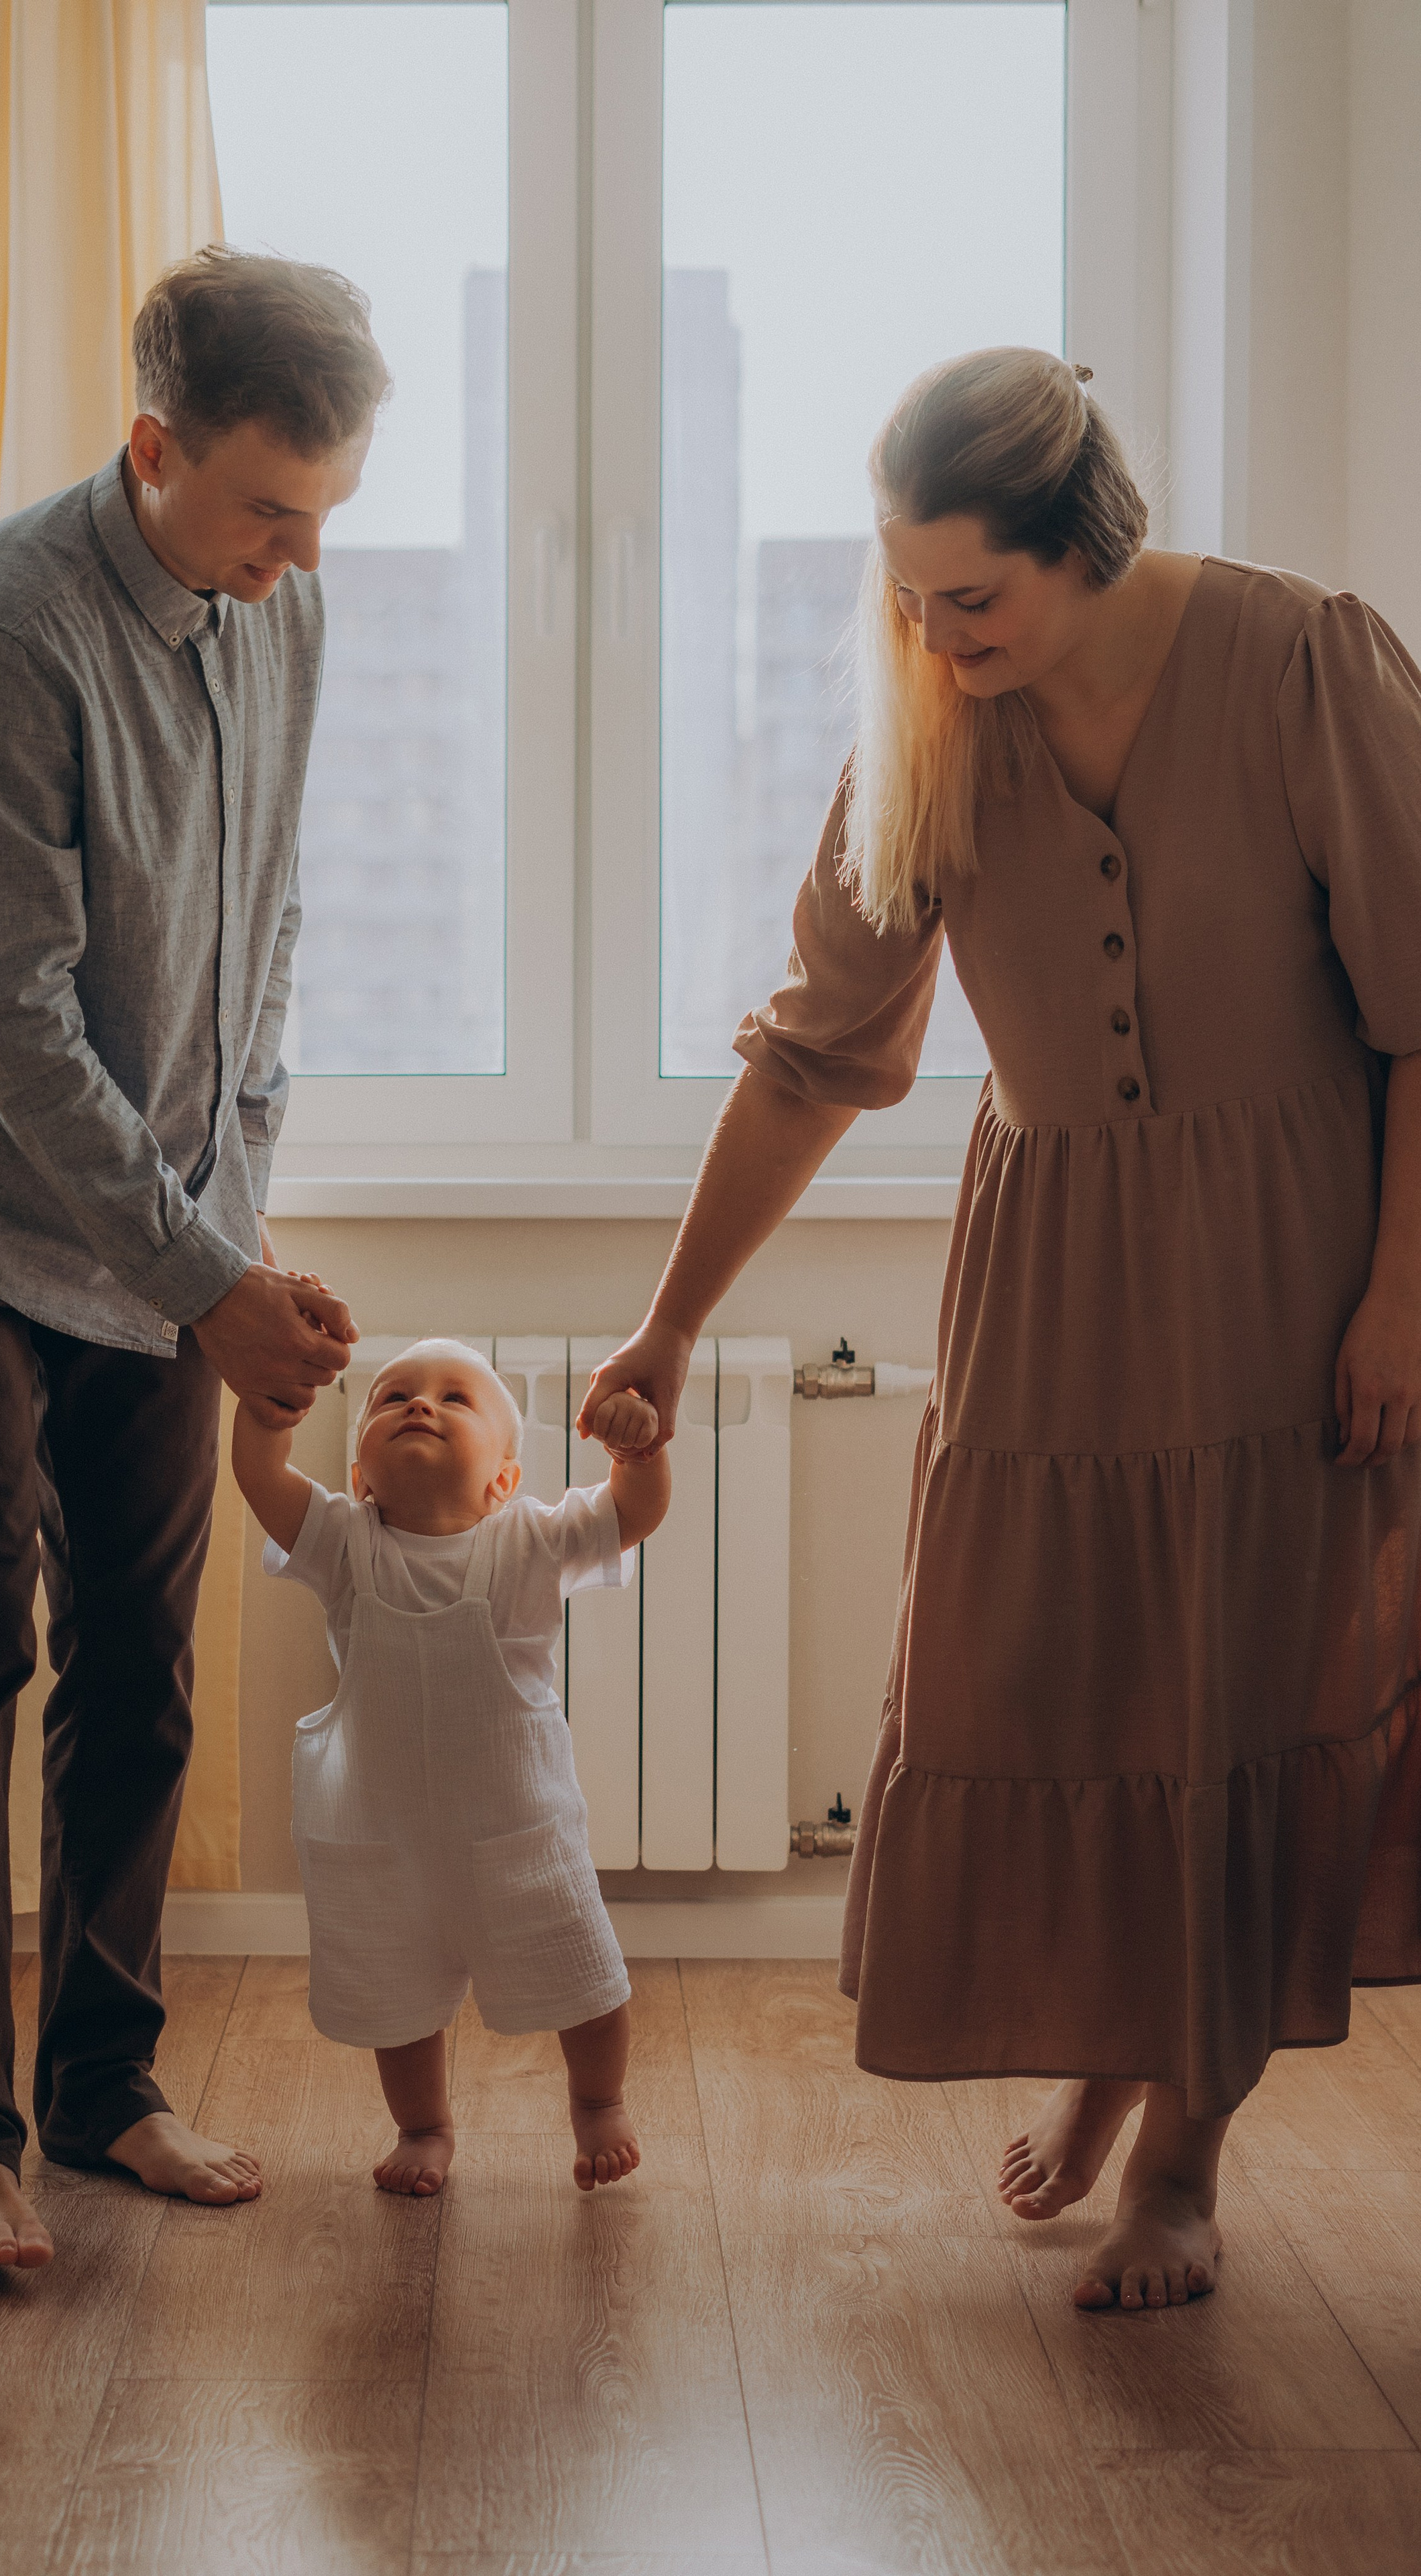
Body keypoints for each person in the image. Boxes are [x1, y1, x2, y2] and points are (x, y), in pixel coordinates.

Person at [581, 346, 1421, 2314]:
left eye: (973, 595)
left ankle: (1185, 2159)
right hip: (1051, 1278)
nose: (932, 632)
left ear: (1085, 547)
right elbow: (808, 1062)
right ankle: (1110, 2029)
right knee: (1044, 1680)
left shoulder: (1306, 666)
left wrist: (1400, 1292)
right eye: (903, 591)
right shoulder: (925, 732)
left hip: (1298, 1261)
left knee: (1236, 1693)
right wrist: (669, 1326)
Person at [0, 248, 386, 2268]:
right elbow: (15, 1018)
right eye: (267, 508)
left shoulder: (279, 610)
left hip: (156, 1222)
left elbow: (263, 942)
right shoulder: (5, 624)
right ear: (154, 449)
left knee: (141, 1664)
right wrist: (202, 1269)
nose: (304, 551)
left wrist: (225, 1234)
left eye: (327, 508)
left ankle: (103, 2086)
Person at [233, 1337, 671, 2195]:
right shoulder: (342, 1544)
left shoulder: (531, 1544)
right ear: (360, 1474)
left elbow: (633, 1514)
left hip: (519, 1836)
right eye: (391, 1397)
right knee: (399, 2004)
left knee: (586, 1978)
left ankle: (598, 2103)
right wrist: (262, 1417)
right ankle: (423, 2127)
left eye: (453, 1398)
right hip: (385, 1843)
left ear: (503, 1481)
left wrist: (637, 1452)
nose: (418, 1404)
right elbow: (262, 1483)